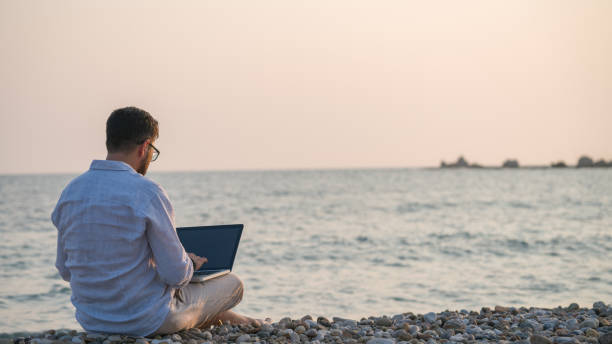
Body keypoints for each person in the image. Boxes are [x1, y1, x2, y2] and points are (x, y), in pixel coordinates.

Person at [51, 106, 258, 336]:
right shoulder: (147, 192)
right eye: (153, 151)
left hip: (92, 322)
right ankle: (217, 314)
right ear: (144, 147)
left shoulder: (70, 192)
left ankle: (221, 316)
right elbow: (176, 275)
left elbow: (65, 271)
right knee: (233, 284)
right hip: (147, 321)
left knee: (178, 287)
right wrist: (189, 263)